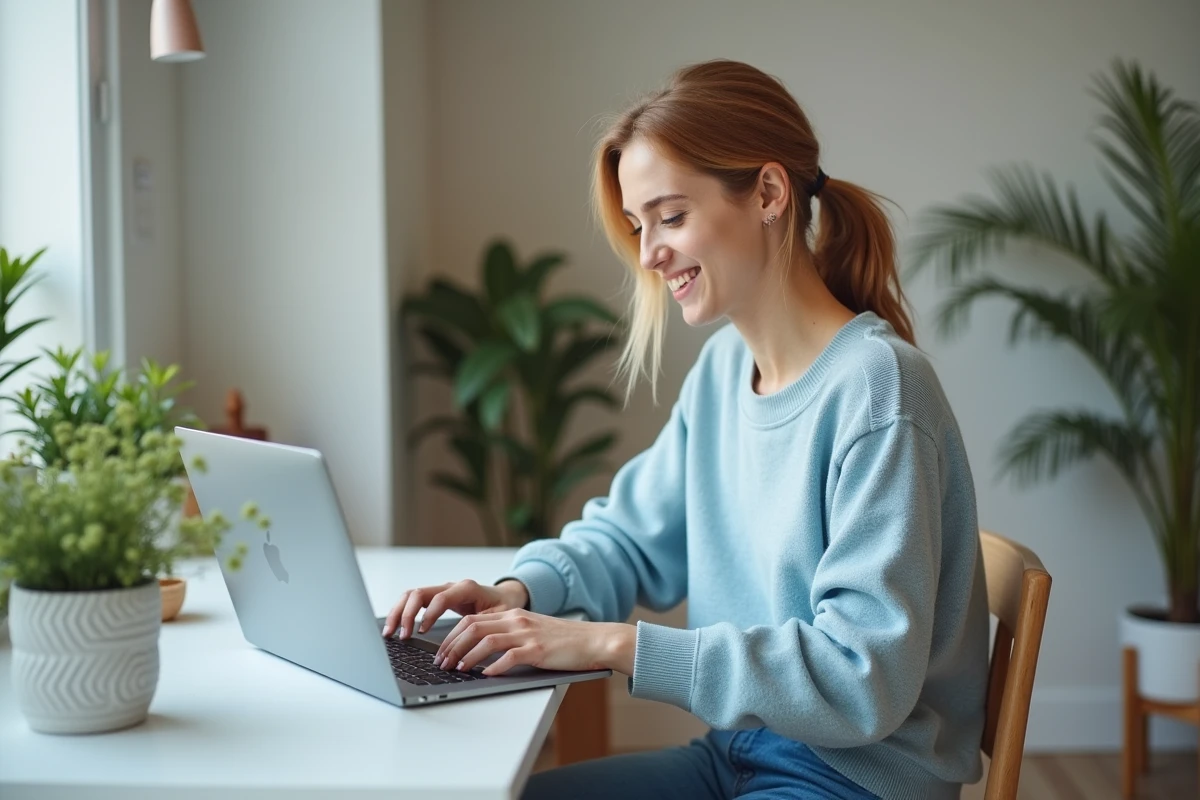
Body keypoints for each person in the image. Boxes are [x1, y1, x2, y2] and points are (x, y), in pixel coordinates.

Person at [382, 59, 989, 800]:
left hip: (853, 780)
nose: (648, 254)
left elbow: (864, 678)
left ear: (769, 193)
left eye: (670, 217)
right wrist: (518, 591)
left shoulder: (878, 390)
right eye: (640, 226)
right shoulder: (723, 371)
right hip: (736, 758)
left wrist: (612, 645)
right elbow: (632, 539)